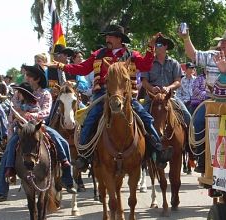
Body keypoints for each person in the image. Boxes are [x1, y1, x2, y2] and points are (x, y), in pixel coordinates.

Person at [46, 24, 167, 169]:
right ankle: (83, 155)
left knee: (146, 118)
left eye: (109, 36)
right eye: (106, 36)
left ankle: (158, 149)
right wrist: (61, 66)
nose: (107, 38)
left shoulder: (132, 55)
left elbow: (147, 66)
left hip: (126, 96)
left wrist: (150, 47)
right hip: (102, 94)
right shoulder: (98, 54)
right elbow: (83, 69)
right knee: (90, 118)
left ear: (118, 38)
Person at [0, 66, 77, 202]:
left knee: (62, 141)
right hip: (22, 129)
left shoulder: (45, 94)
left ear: (37, 78)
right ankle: (2, 188)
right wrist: (15, 122)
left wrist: (30, 115)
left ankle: (67, 179)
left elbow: (46, 112)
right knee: (9, 149)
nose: (27, 77)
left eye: (29, 75)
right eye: (27, 75)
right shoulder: (19, 93)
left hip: (39, 127)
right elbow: (12, 113)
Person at [179, 27, 226, 173]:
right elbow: (193, 54)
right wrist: (186, 38)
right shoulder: (211, 55)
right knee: (199, 121)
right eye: (223, 41)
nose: (223, 44)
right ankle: (201, 157)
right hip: (211, 100)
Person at [141, 34, 192, 126]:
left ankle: (190, 140)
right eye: (155, 44)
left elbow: (178, 82)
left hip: (170, 97)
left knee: (188, 117)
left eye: (159, 44)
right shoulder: (148, 62)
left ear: (166, 47)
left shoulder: (174, 63)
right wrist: (152, 89)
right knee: (140, 118)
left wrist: (168, 88)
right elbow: (144, 82)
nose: (156, 47)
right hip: (152, 97)